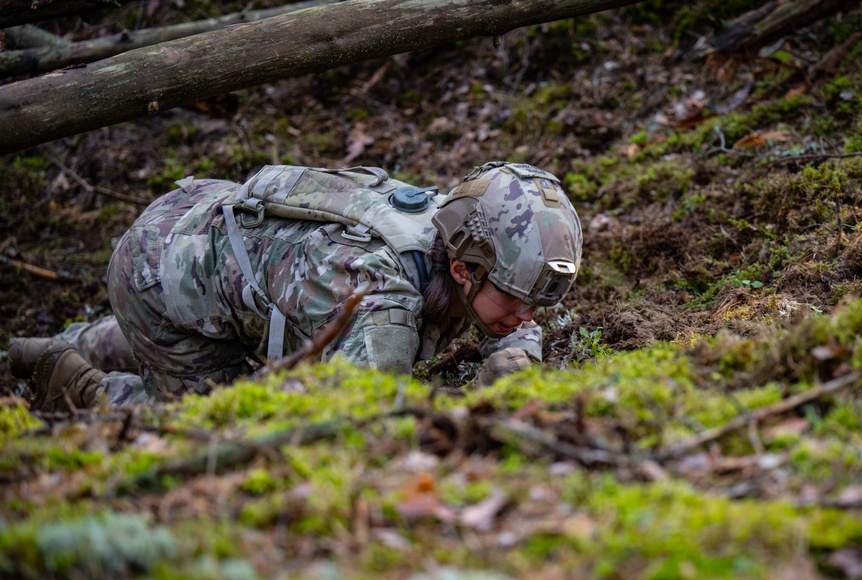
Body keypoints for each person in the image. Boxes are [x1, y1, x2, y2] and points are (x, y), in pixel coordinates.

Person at [8, 161, 583, 412]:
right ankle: (73, 381)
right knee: (217, 422)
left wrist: (508, 342)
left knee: (194, 323)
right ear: (462, 271)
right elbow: (361, 425)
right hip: (159, 276)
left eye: (541, 301)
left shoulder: (458, 225)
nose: (529, 315)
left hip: (194, 236)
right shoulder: (382, 304)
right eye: (516, 298)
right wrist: (498, 377)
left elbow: (514, 300)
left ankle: (63, 343)